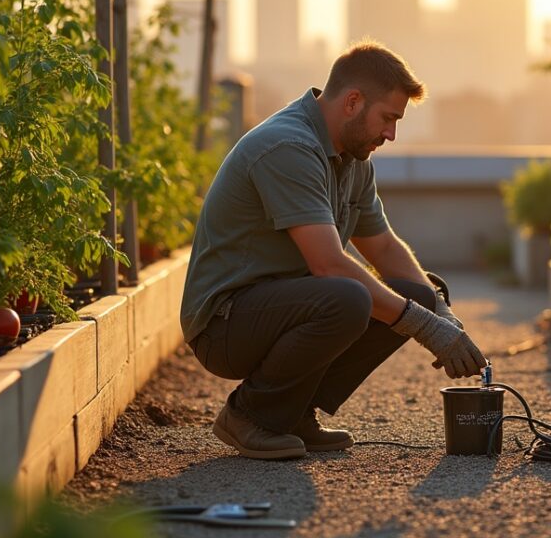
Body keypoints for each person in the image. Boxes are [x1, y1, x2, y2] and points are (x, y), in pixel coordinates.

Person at [180, 41, 487, 460]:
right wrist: (426, 329)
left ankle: (292, 413)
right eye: (388, 118)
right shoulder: (288, 147)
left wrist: (441, 314)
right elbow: (328, 264)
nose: (391, 134)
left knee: (417, 293)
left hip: (281, 308)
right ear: (353, 102)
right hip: (225, 325)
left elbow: (384, 247)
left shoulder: (353, 160)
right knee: (347, 297)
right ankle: (250, 415)